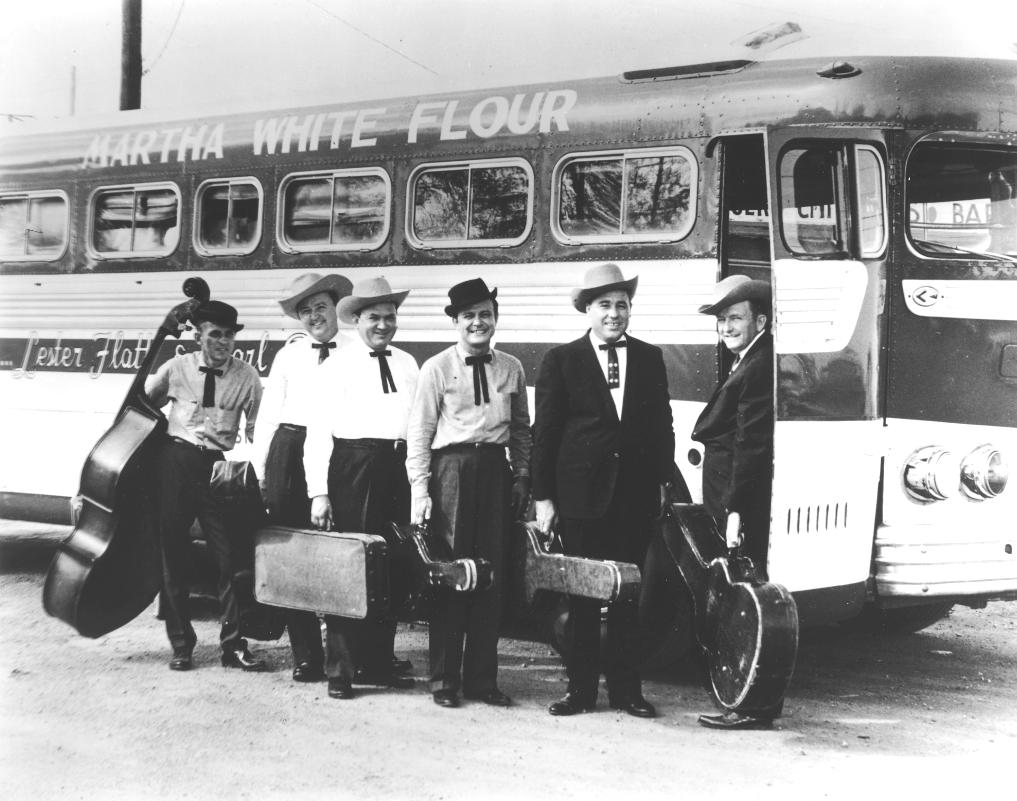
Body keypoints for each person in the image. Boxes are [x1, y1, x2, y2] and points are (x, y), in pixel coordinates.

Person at [531, 263, 675, 719]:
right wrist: (543, 497)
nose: (614, 314)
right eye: (605, 306)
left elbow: (662, 425)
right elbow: (545, 433)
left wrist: (663, 481)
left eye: (622, 305)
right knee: (584, 596)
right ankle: (580, 692)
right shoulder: (561, 360)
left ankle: (627, 692)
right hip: (581, 498)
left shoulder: (649, 357)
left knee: (628, 596)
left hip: (634, 497)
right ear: (587, 310)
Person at [406, 278, 532, 709]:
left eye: (485, 314)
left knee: (489, 578)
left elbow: (521, 429)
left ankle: (482, 681)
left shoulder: (512, 367)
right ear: (456, 322)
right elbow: (420, 433)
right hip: (451, 474)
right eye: (468, 316)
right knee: (452, 575)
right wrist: (420, 490)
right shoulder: (437, 368)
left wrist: (522, 476)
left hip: (495, 473)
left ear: (495, 318)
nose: (477, 323)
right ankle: (444, 681)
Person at [303, 276, 419, 700]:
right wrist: (319, 492)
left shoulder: (408, 364)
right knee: (350, 567)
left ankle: (378, 663)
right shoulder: (336, 366)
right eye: (374, 318)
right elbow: (318, 432)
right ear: (356, 320)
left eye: (389, 317)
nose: (383, 325)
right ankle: (341, 670)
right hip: (353, 469)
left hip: (396, 469)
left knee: (390, 567)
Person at [144, 300, 266, 672]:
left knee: (228, 558)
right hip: (176, 462)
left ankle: (233, 645)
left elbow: (259, 429)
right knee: (173, 555)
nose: (222, 342)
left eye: (229, 335)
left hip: (216, 467)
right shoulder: (176, 368)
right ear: (199, 336)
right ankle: (181, 646)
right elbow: (144, 406)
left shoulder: (247, 377)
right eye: (215, 335)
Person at [250, 272, 352, 683]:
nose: (315, 316)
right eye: (305, 311)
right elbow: (268, 417)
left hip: (338, 452)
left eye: (321, 307)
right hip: (289, 451)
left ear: (336, 308)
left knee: (341, 549)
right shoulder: (288, 356)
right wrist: (261, 471)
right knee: (293, 553)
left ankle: (347, 654)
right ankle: (306, 654)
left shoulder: (356, 350)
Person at [691, 273, 777, 730]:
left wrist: (736, 511)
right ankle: (747, 702)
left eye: (736, 318)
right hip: (731, 497)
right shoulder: (751, 358)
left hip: (736, 501)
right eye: (722, 320)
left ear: (759, 321)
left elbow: (751, 444)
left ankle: (752, 705)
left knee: (745, 598)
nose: (726, 327)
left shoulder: (757, 366)